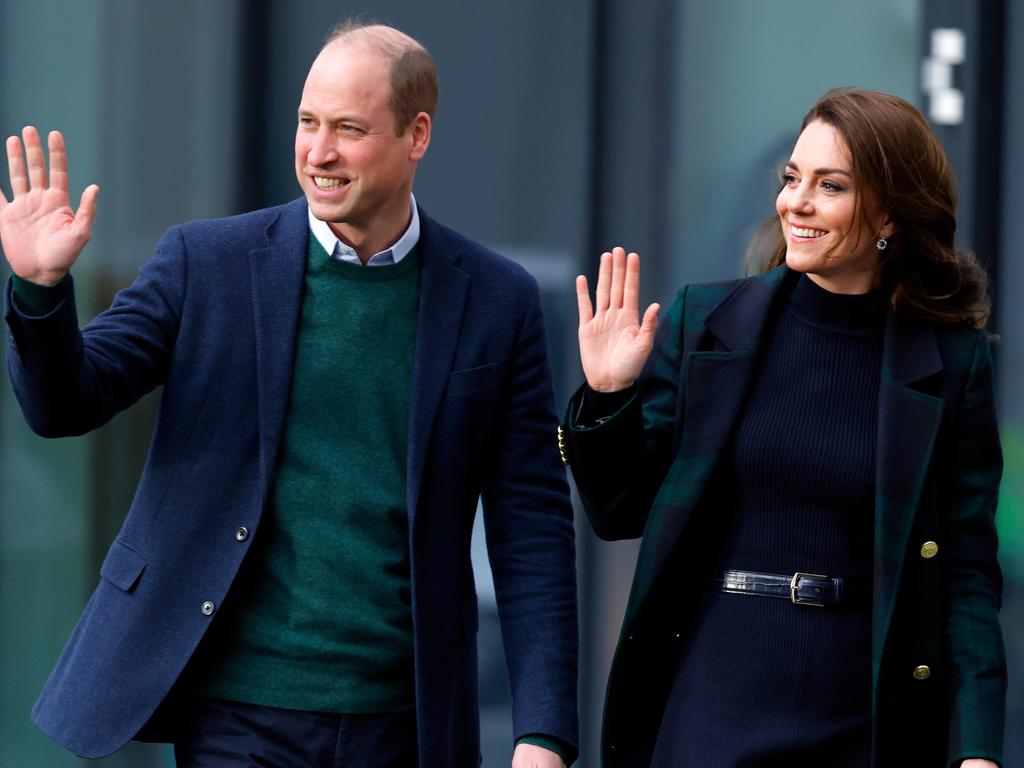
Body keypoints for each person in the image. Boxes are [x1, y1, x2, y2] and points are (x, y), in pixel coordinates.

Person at [1, 21, 577, 768]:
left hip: (402, 721)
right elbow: (66, 405)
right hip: (237, 713)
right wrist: (41, 293)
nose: (318, 152)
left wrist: (543, 731)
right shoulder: (204, 263)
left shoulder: (497, 301)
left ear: (417, 135)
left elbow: (530, 526)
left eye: (348, 128)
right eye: (307, 123)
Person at [560, 88, 1005, 767]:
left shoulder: (948, 363)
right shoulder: (708, 324)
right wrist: (609, 393)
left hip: (865, 716)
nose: (795, 202)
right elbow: (620, 509)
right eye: (792, 178)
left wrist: (977, 748)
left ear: (889, 210)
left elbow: (967, 572)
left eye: (831, 186)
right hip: (713, 700)